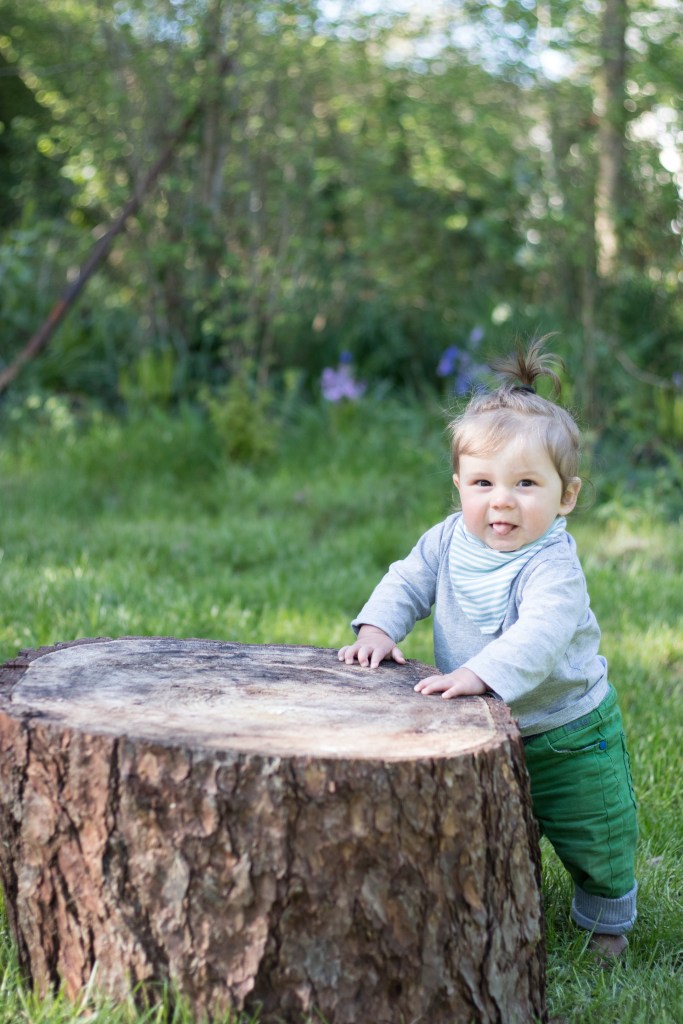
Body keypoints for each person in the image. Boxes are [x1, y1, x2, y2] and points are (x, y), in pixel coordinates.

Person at [338, 336, 638, 960]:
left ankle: (606, 922)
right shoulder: (449, 539)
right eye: (483, 482)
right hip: (481, 728)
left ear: (566, 496)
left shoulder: (552, 565)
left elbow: (540, 636)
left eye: (525, 483)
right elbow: (408, 580)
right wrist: (379, 628)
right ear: (459, 487)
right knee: (485, 824)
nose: (501, 499)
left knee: (596, 831)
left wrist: (480, 672)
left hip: (567, 730)